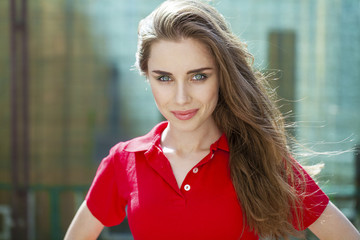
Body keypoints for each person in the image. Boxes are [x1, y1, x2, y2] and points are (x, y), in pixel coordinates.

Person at [65, 0, 360, 239]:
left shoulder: (259, 156)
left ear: (222, 75)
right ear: (147, 76)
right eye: (164, 78)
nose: (181, 98)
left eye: (198, 76)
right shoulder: (123, 161)